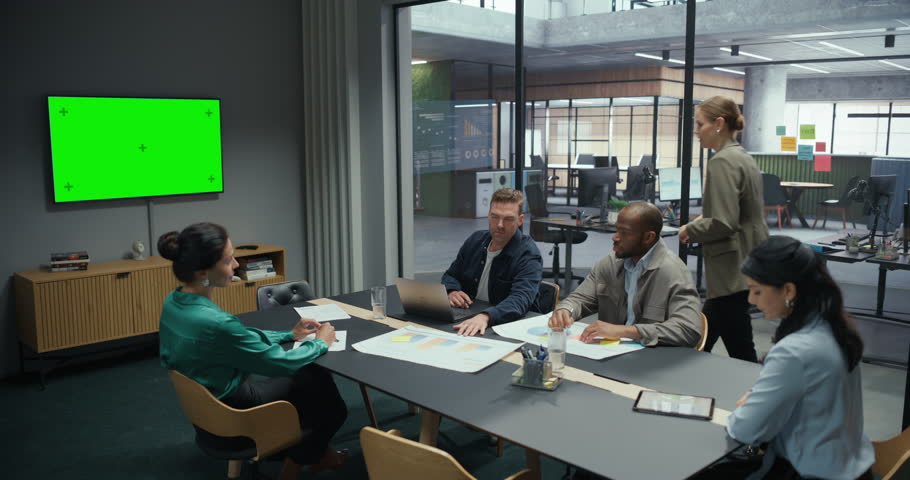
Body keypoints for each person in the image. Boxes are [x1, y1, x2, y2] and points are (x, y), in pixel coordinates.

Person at [157, 223, 347, 480]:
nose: (236, 265)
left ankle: (320, 454)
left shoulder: (174, 301)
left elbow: (238, 339)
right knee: (328, 400)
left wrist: (289, 335)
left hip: (208, 409)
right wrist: (320, 342)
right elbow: (279, 363)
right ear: (203, 272)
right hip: (234, 414)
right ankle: (295, 466)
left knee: (311, 386)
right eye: (228, 260)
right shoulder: (215, 323)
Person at [700, 236, 874, 479]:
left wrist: (749, 407)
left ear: (789, 290)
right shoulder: (832, 326)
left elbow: (745, 429)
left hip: (808, 472)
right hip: (849, 465)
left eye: (757, 290)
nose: (751, 300)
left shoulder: (794, 351)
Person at [679, 96, 768, 362]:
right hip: (747, 258)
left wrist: (690, 230)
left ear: (719, 123)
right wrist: (704, 218)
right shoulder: (741, 156)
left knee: (731, 344)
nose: (696, 131)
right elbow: (740, 211)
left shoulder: (721, 162)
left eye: (699, 124)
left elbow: (724, 222)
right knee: (719, 334)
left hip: (731, 266)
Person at [548, 202, 702, 347]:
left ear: (649, 237)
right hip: (610, 354)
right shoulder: (609, 264)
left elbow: (688, 329)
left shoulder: (673, 272)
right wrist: (566, 310)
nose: (615, 238)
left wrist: (626, 332)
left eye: (624, 233)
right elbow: (580, 299)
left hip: (654, 360)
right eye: (617, 230)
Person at [443, 188, 543, 336]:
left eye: (508, 219)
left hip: (506, 327)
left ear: (520, 220)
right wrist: (452, 291)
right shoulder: (475, 240)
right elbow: (451, 275)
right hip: (470, 318)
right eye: (495, 217)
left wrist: (486, 317)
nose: (500, 225)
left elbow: (520, 299)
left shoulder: (528, 254)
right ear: (488, 215)